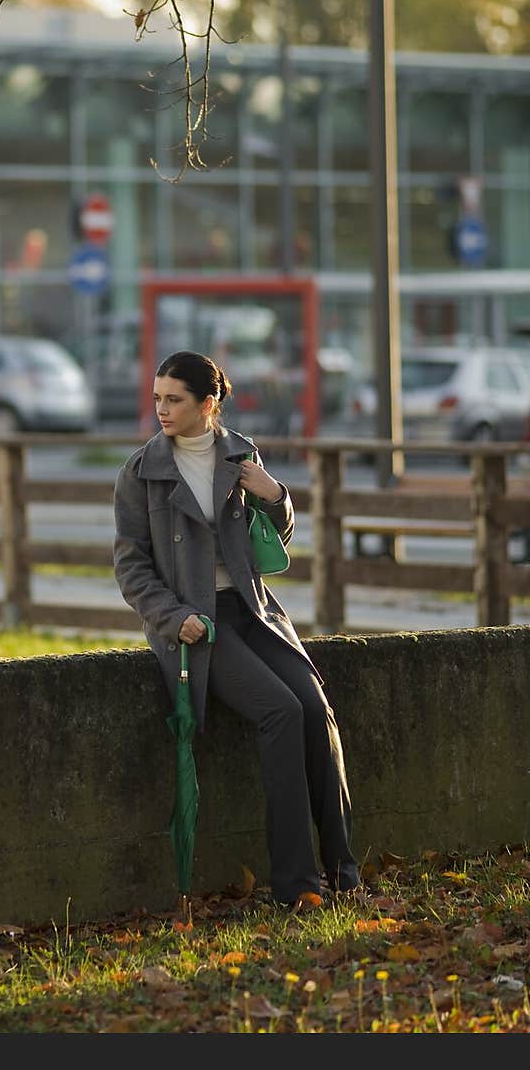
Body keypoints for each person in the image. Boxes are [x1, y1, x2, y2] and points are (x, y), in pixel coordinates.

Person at [113, 349, 360, 910]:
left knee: (315, 707)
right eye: (157, 398)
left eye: (174, 399)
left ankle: (344, 869)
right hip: (198, 625)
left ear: (209, 403)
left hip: (253, 612)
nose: (162, 410)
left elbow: (273, 542)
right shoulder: (141, 471)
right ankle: (298, 884)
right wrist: (177, 620)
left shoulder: (240, 456)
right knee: (281, 710)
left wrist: (275, 495)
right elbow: (131, 566)